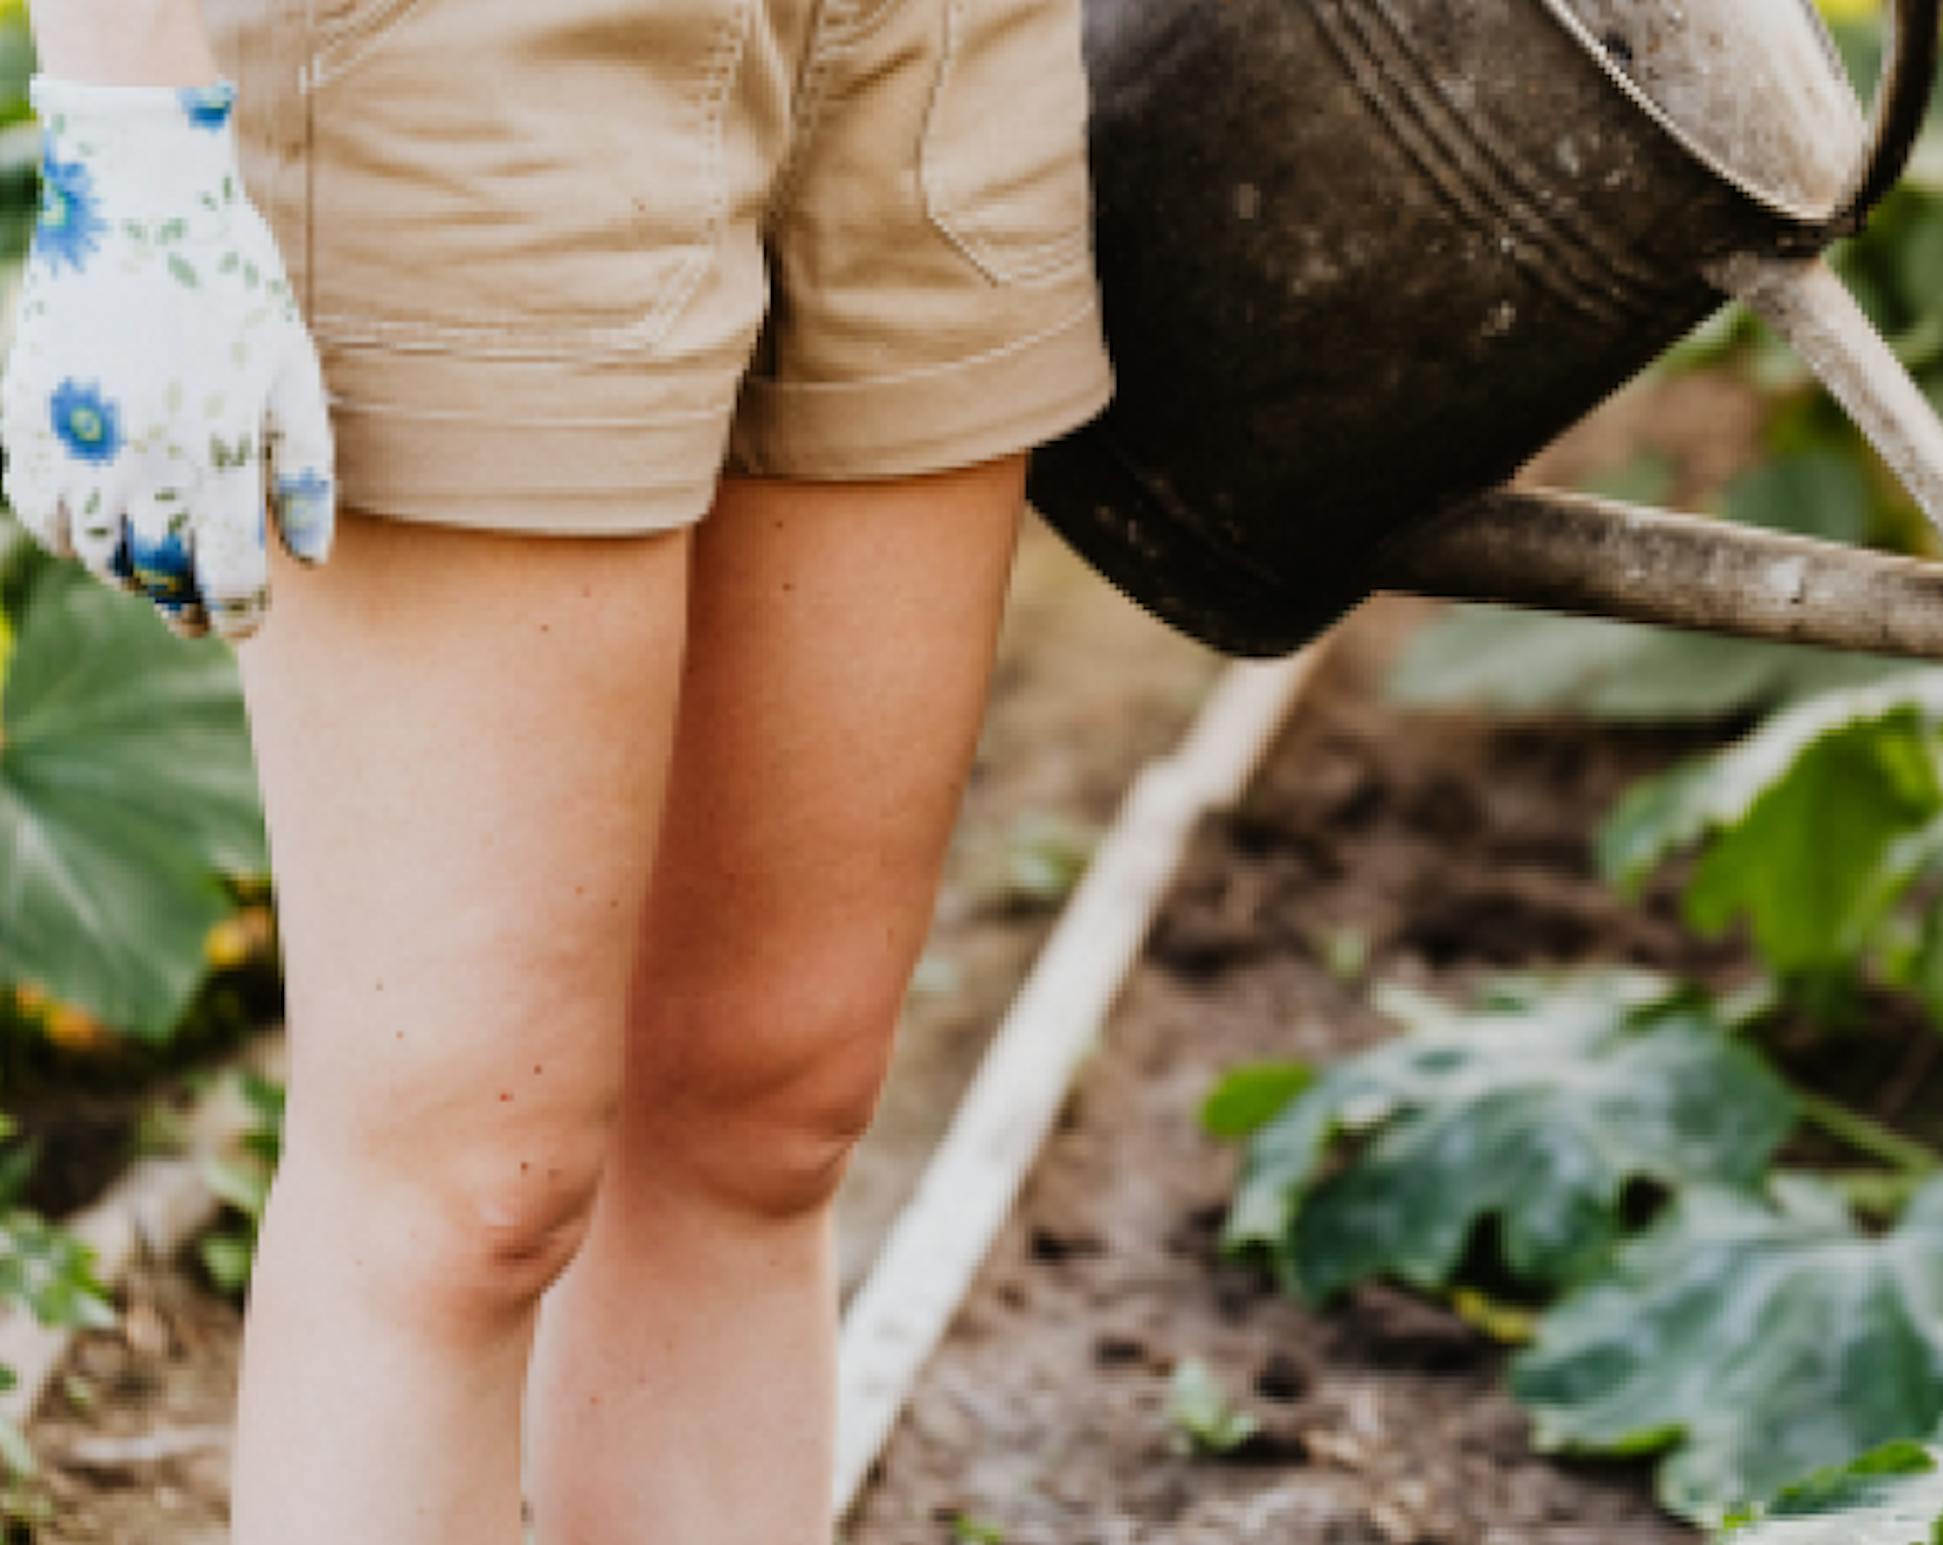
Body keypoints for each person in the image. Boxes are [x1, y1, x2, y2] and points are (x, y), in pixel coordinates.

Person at [0, 0, 1112, 1537]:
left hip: (940, 38)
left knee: (770, 1108)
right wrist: (124, 121)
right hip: (465, 59)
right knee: (465, 1190)